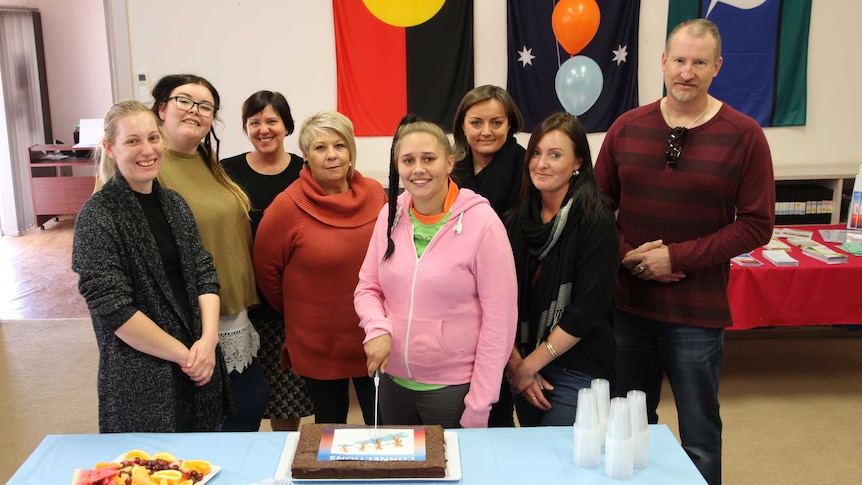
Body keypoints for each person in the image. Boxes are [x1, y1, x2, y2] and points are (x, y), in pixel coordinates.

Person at [594, 19, 775, 485]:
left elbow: (757, 225)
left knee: (698, 434)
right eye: (679, 60)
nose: (687, 72)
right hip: (628, 308)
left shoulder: (745, 135)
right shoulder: (626, 127)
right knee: (628, 428)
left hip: (696, 314)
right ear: (663, 62)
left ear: (717, 67)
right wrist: (628, 255)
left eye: (699, 62)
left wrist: (676, 258)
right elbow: (594, 210)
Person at [72, 100, 230, 432]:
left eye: (153, 138)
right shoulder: (98, 216)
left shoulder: (174, 203)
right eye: (132, 141)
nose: (147, 150)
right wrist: (185, 356)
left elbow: (205, 275)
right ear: (110, 149)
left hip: (200, 361)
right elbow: (113, 307)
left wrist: (209, 341)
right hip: (143, 375)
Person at [354, 117, 517, 428]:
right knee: (401, 475)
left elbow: (500, 323)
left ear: (449, 162)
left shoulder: (483, 224)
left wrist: (480, 405)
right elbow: (368, 287)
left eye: (429, 158)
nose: (418, 169)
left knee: (453, 474)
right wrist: (376, 327)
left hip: (453, 391)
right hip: (392, 384)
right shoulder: (389, 216)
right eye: (408, 160)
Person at [151, 74, 269, 432]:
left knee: (247, 407)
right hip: (190, 320)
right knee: (207, 425)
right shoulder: (150, 166)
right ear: (162, 108)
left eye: (205, 106)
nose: (194, 111)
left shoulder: (206, 159)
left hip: (233, 311)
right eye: (184, 101)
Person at [253, 111, 386, 425]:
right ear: (305, 155)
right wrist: (301, 311)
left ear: (350, 150)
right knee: (330, 430)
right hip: (319, 344)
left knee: (382, 426)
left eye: (339, 146)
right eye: (320, 148)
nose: (331, 156)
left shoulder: (376, 194)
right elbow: (267, 272)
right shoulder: (287, 205)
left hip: (373, 337)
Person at [504, 112, 618, 427]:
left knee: (566, 463)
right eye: (536, 153)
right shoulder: (515, 220)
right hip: (523, 359)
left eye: (555, 155)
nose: (542, 163)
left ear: (577, 162)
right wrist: (517, 364)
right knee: (534, 460)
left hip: (578, 364)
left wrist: (529, 366)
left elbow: (588, 310)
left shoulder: (596, 219)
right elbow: (498, 299)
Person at [221, 90, 313, 431]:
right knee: (240, 399)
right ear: (245, 127)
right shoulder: (224, 171)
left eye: (272, 120)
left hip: (289, 301)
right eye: (254, 121)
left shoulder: (305, 171)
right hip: (241, 296)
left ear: (286, 126)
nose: (263, 129)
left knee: (285, 399)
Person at [451, 84, 525, 427]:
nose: (486, 131)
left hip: (513, 283)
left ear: (510, 124)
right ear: (462, 126)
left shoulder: (527, 165)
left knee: (501, 397)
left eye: (496, 122)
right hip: (458, 292)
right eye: (476, 122)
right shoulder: (450, 166)